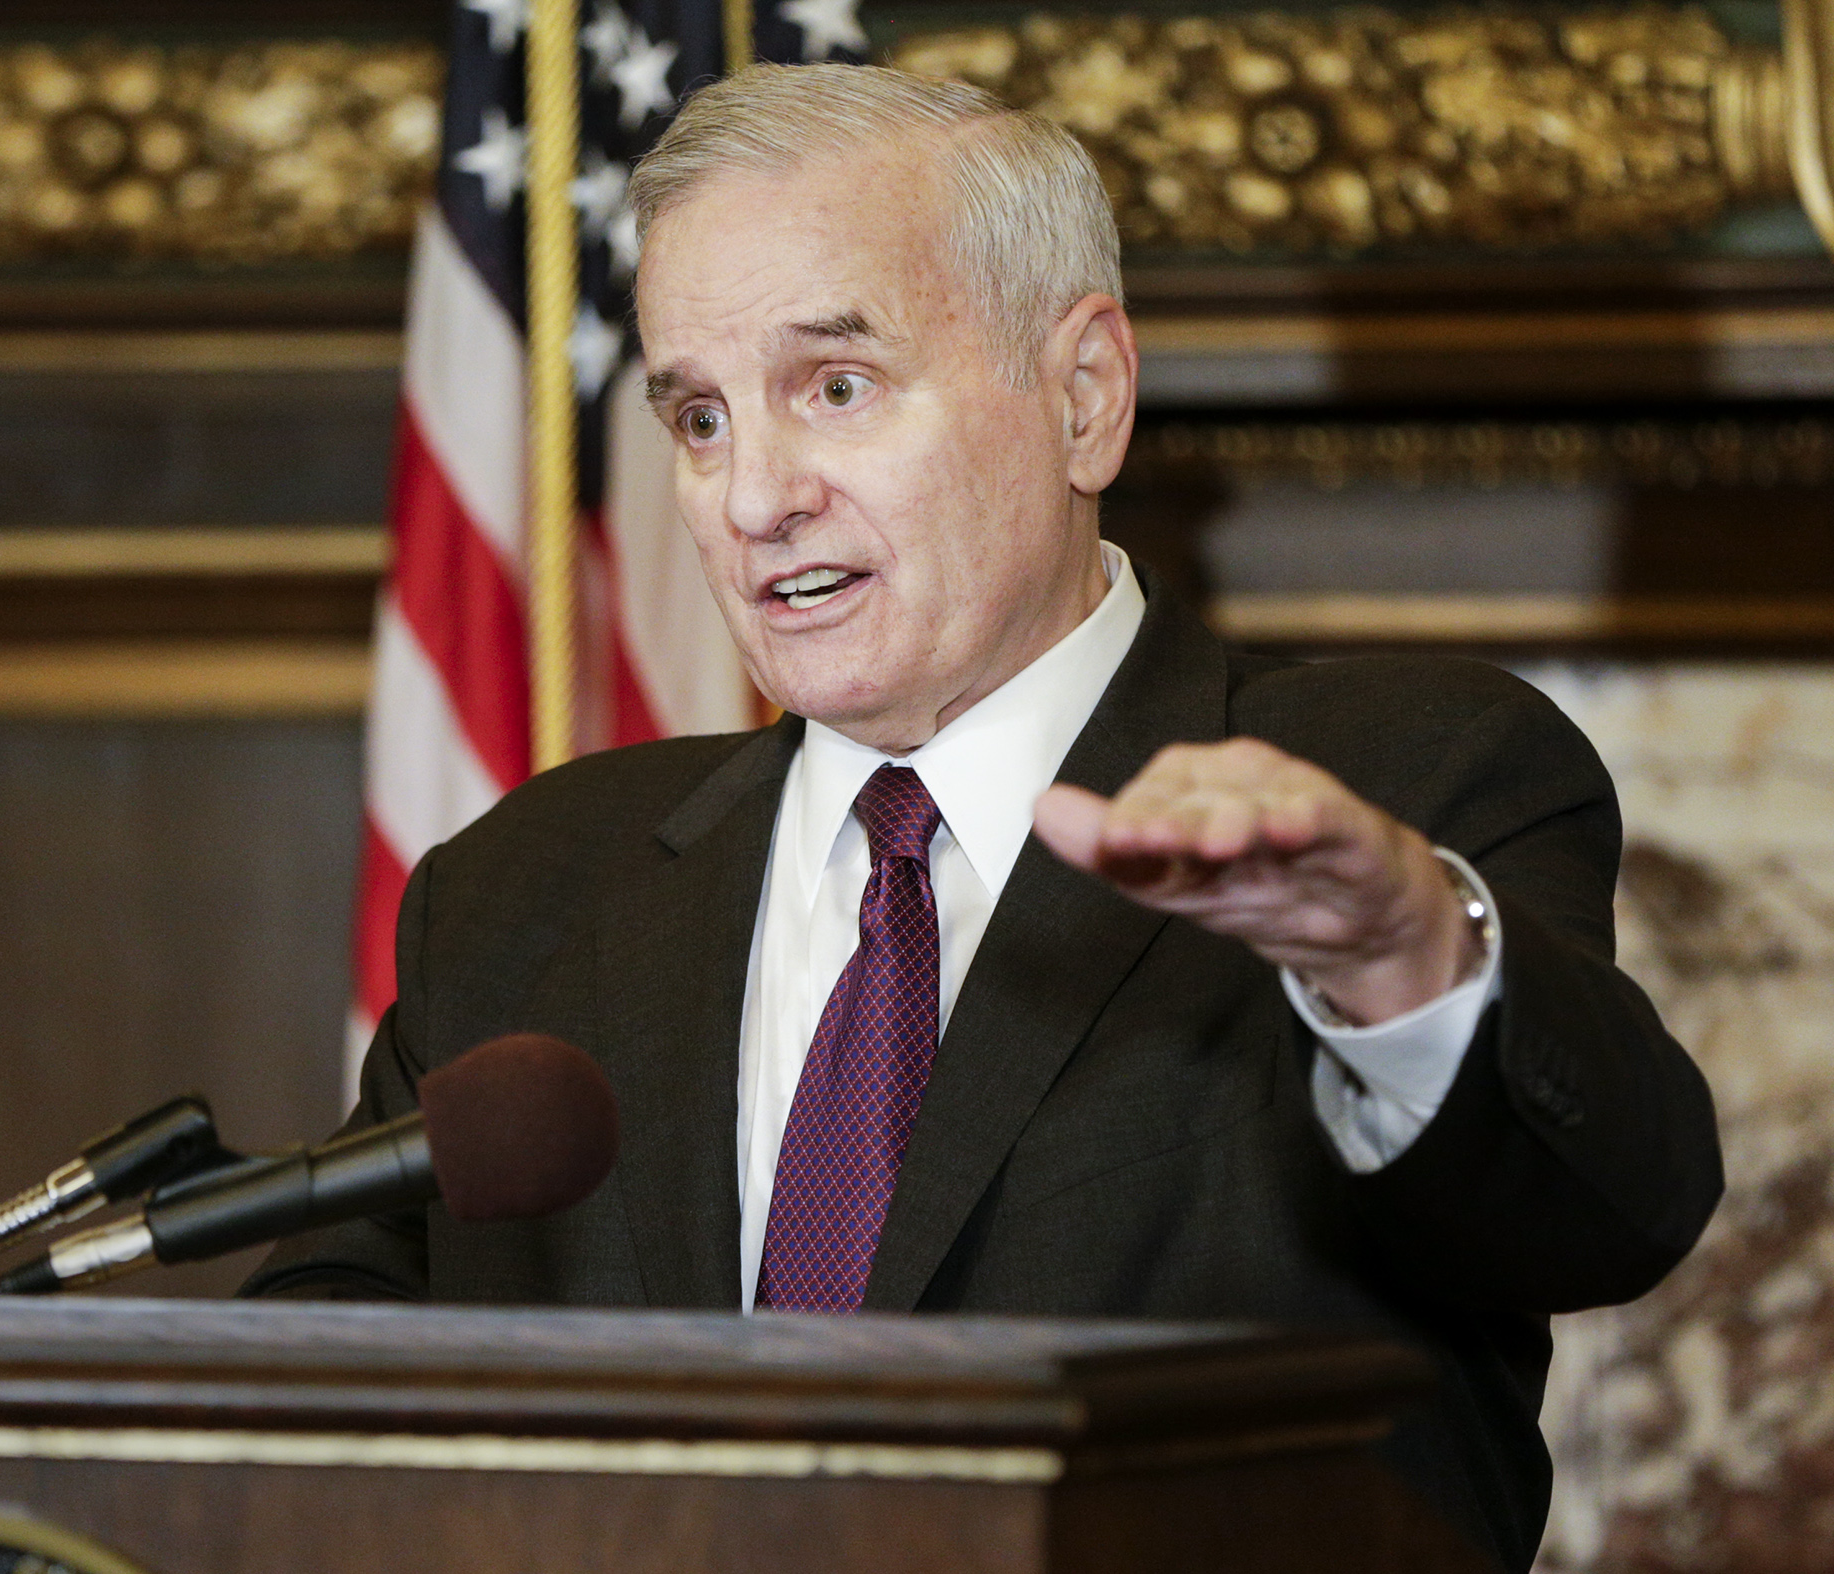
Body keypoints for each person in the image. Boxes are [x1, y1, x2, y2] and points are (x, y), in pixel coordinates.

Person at [245, 63, 1722, 1570]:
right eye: (697, 416)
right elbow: (282, 1414)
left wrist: (1413, 962)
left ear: (1083, 397)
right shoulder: (522, 892)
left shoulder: (1404, 790)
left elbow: (1613, 1208)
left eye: (837, 387)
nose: (755, 496)